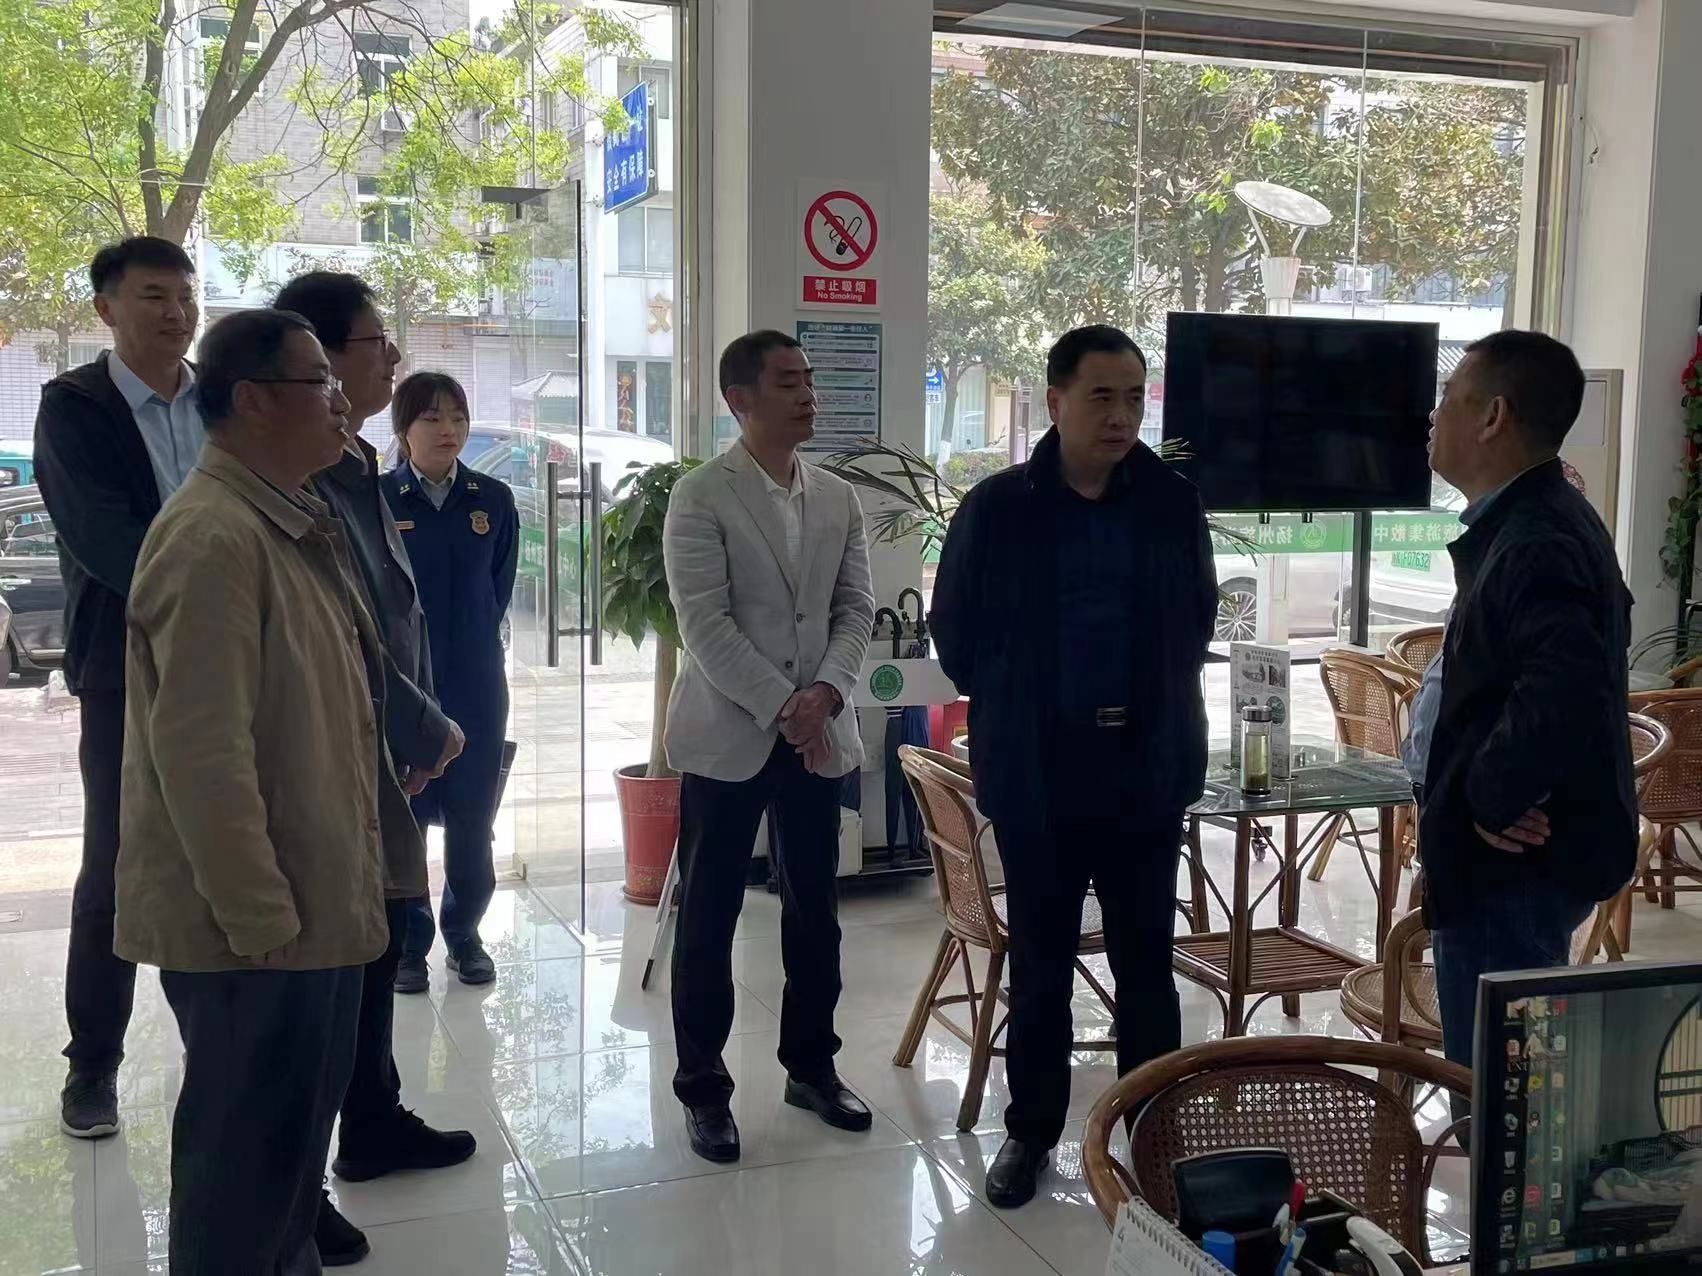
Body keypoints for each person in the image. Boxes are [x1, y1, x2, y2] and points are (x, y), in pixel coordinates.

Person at [114, 308, 388, 1273]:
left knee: (284, 1173)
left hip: (309, 903)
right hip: (258, 930)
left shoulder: (286, 517)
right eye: (322, 382)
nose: (342, 401)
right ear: (254, 401)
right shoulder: (212, 538)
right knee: (242, 1178)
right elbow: (202, 754)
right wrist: (258, 913)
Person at [930, 325, 1217, 1209]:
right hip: (1041, 768)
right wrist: (1022, 699)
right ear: (1055, 402)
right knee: (1043, 963)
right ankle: (1031, 1132)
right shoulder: (998, 508)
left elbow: (1197, 620)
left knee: (1146, 963)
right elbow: (956, 632)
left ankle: (1152, 1131)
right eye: (1102, 397)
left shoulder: (1169, 503)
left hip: (1143, 764)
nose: (1121, 415)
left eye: (1134, 397)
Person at [271, 272, 475, 1264]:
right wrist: (420, 725)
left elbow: (396, 612)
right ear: (316, 357)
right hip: (335, 753)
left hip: (383, 745)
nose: (392, 356)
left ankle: (374, 1121)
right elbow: (342, 636)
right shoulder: (299, 477)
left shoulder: (351, 460)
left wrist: (416, 728)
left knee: (373, 942)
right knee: (321, 977)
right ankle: (294, 1187)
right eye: (374, 341)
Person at [662, 330, 876, 1164]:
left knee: (816, 910)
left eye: (809, 379)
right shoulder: (700, 496)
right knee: (708, 917)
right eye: (788, 382)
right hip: (730, 734)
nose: (808, 394)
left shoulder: (836, 497)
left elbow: (855, 608)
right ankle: (703, 1089)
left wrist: (826, 694)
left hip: (818, 732)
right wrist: (784, 703)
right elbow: (704, 624)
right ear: (740, 400)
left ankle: (811, 1066)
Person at [1407, 329, 1636, 1084]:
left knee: (1501, 1097)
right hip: (1505, 866)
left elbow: (1565, 686)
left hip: (1512, 872)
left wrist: (1489, 797)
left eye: (1448, 396)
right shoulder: (1528, 520)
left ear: (1493, 415)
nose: (1433, 415)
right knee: (1503, 1085)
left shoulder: (1538, 535)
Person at [33, 236, 203, 1140]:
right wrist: (226, 598)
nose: (175, 312)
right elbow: (107, 540)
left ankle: (217, 1050)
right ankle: (92, 1065)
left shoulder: (223, 397)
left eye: (185, 294)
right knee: (119, 860)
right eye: (152, 296)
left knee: (221, 849)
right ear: (106, 308)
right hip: (128, 664)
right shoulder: (75, 407)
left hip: (233, 664)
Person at [381, 372, 518, 988]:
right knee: (405, 813)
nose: (449, 430)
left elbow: (498, 590)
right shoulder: (381, 499)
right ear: (403, 428)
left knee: (472, 815)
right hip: (405, 683)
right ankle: (410, 943)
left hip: (477, 682)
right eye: (432, 418)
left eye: (458, 417)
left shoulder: (493, 499)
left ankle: (465, 934)